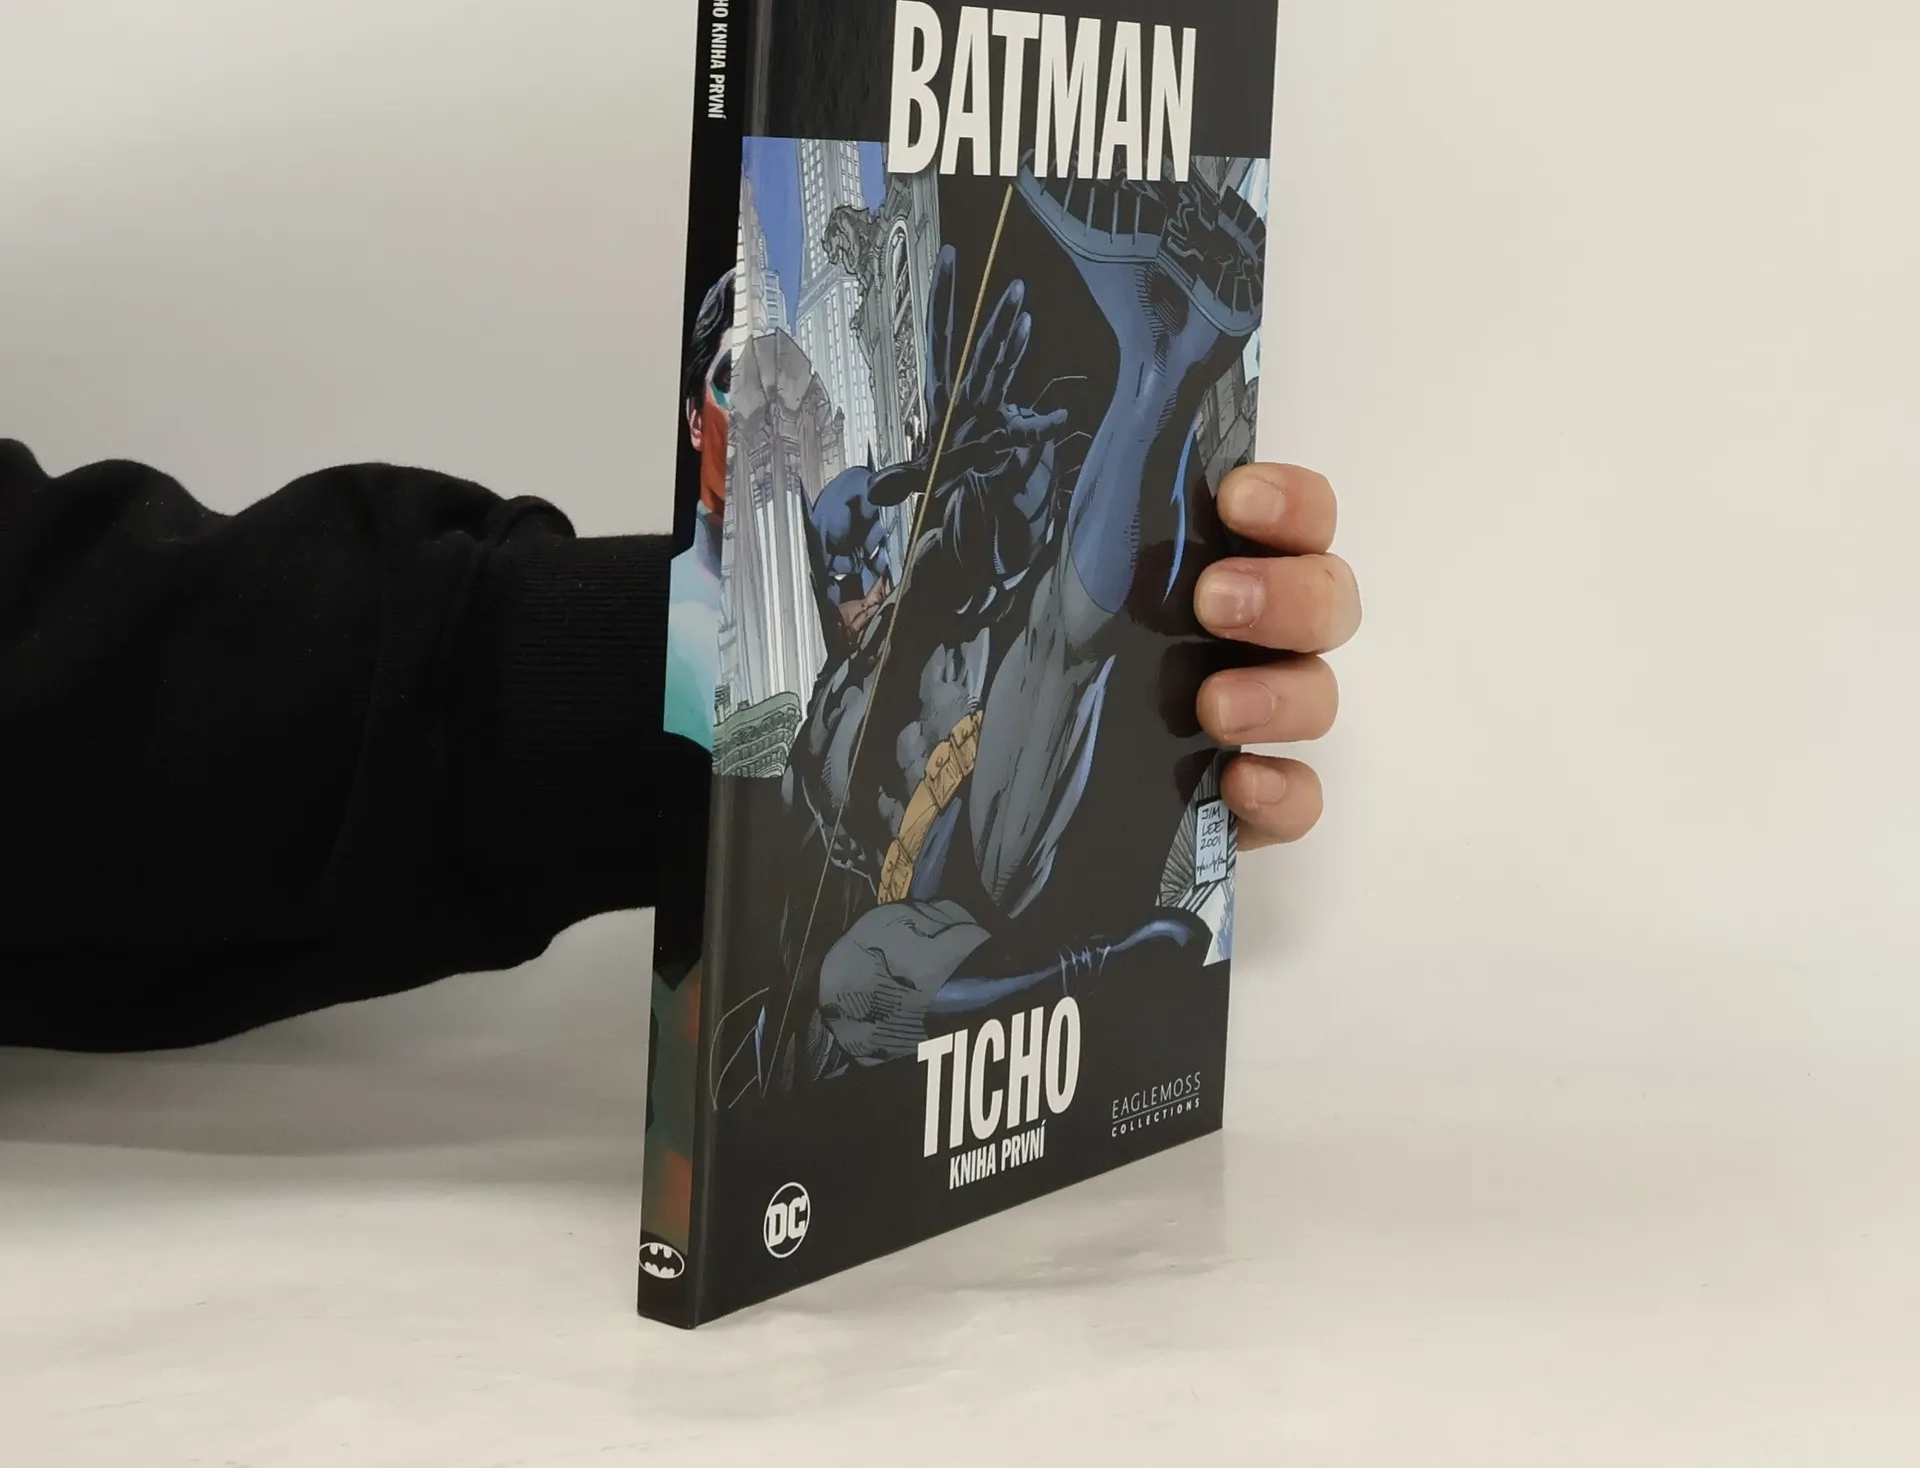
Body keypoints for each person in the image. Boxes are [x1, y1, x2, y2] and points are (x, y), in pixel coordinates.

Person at [0, 435, 1359, 1052]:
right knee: (869, 971)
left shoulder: (919, 627)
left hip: (958, 815)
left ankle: (1160, 366)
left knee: (1066, 634)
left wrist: (1157, 738)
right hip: (939, 867)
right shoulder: (869, 707)